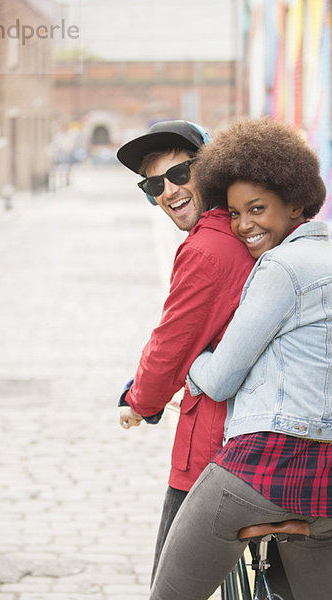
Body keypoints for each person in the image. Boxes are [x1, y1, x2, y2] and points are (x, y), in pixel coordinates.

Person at [149, 117, 332, 600]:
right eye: (234, 213)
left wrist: (194, 359)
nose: (244, 225)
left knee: (168, 594)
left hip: (262, 468)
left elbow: (221, 377)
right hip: (327, 483)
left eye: (256, 209)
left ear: (296, 203)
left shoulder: (280, 266)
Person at [116, 120, 258, 583]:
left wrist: (140, 402)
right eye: (153, 184)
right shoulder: (245, 230)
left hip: (215, 448)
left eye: (179, 174)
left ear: (209, 169)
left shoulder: (206, 249)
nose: (168, 191)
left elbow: (171, 346)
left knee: (169, 584)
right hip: (258, 432)